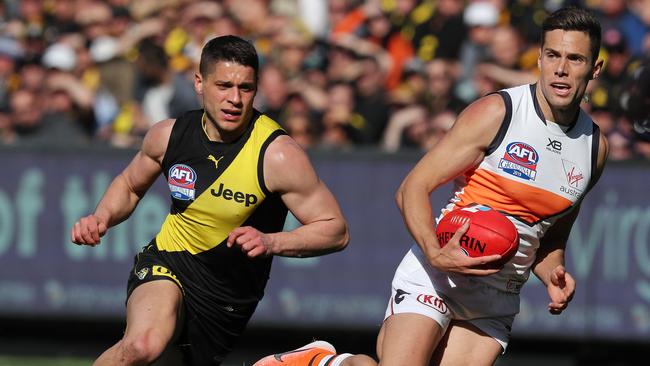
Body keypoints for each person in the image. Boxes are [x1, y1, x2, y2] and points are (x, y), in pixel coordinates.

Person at [254, 6, 609, 366]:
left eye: (575, 58)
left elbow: (551, 235)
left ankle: (325, 361)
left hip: (497, 298)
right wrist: (435, 253)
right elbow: (411, 188)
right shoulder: (498, 113)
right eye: (553, 55)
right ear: (539, 58)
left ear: (595, 69)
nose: (561, 69)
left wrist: (554, 273)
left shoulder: (594, 149)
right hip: (438, 275)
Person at [70, 35, 350, 366]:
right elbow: (130, 185)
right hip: (168, 261)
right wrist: (101, 217)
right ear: (199, 83)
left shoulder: (277, 155)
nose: (234, 99)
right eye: (224, 85)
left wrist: (272, 241)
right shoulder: (169, 135)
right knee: (140, 345)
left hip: (225, 302)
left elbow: (335, 230)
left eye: (245, 88)